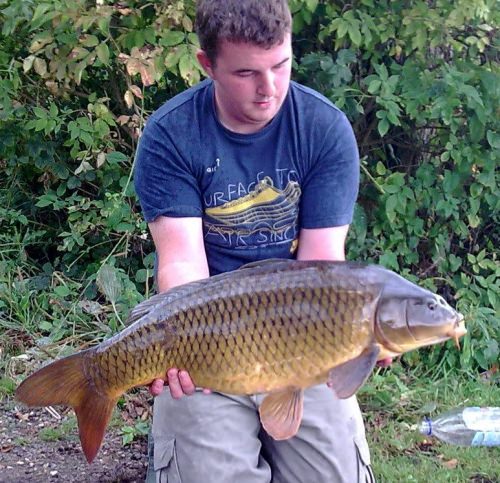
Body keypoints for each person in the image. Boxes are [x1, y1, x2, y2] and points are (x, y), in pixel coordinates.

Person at [134, 1, 378, 481]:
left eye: (281, 66)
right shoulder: (172, 133)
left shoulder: (323, 128)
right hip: (209, 339)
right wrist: (177, 352)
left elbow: (323, 267)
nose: (270, 89)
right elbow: (183, 266)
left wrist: (357, 338)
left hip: (303, 338)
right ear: (208, 65)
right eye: (246, 73)